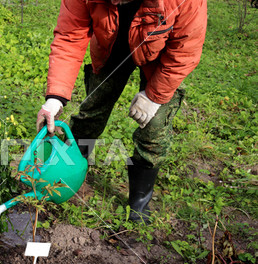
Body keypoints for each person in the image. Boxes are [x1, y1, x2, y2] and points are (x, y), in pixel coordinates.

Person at [36, 0, 207, 223]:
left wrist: (154, 96)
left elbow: (186, 50)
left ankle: (139, 203)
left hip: (161, 59)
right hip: (110, 48)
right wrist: (54, 98)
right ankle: (68, 174)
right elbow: (69, 37)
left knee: (154, 127)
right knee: (91, 111)